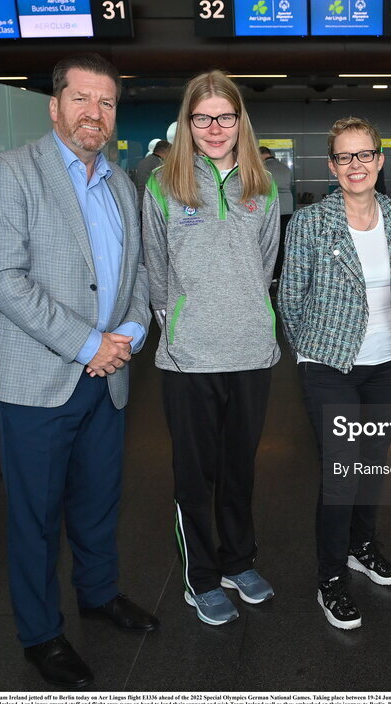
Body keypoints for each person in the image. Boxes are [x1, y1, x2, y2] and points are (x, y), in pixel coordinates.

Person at [0, 53, 156, 689]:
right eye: (82, 99)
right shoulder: (12, 173)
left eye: (106, 103)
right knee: (36, 516)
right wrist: (87, 344)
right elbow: (1, 278)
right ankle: (41, 634)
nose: (94, 114)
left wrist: (125, 337)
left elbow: (135, 278)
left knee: (100, 502)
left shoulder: (122, 185)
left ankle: (99, 595)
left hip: (110, 377)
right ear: (55, 106)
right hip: (38, 379)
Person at [141, 70, 280, 627]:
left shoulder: (262, 185)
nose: (215, 128)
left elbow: (265, 264)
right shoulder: (162, 186)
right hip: (189, 357)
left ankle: (238, 561)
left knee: (239, 468)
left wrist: (251, 315)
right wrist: (176, 325)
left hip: (250, 352)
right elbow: (154, 269)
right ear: (187, 123)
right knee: (194, 475)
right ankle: (200, 577)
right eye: (203, 118)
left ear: (240, 121)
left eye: (226, 117)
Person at [278, 117, 391, 630]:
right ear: (332, 166)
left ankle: (362, 546)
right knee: (341, 469)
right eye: (344, 157)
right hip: (329, 365)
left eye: (365, 155)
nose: (356, 166)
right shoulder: (311, 223)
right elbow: (291, 297)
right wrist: (311, 352)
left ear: (380, 160)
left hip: (388, 363)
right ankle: (330, 577)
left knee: (373, 463)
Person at [260, 145, 295, 280]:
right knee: (284, 243)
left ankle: (273, 274)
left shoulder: (263, 169)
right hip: (288, 208)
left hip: (273, 208)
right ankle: (283, 274)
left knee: (272, 243)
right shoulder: (285, 168)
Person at [133, 139, 170, 208]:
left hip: (142, 204)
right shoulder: (158, 164)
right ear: (165, 151)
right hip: (150, 205)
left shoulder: (145, 161)